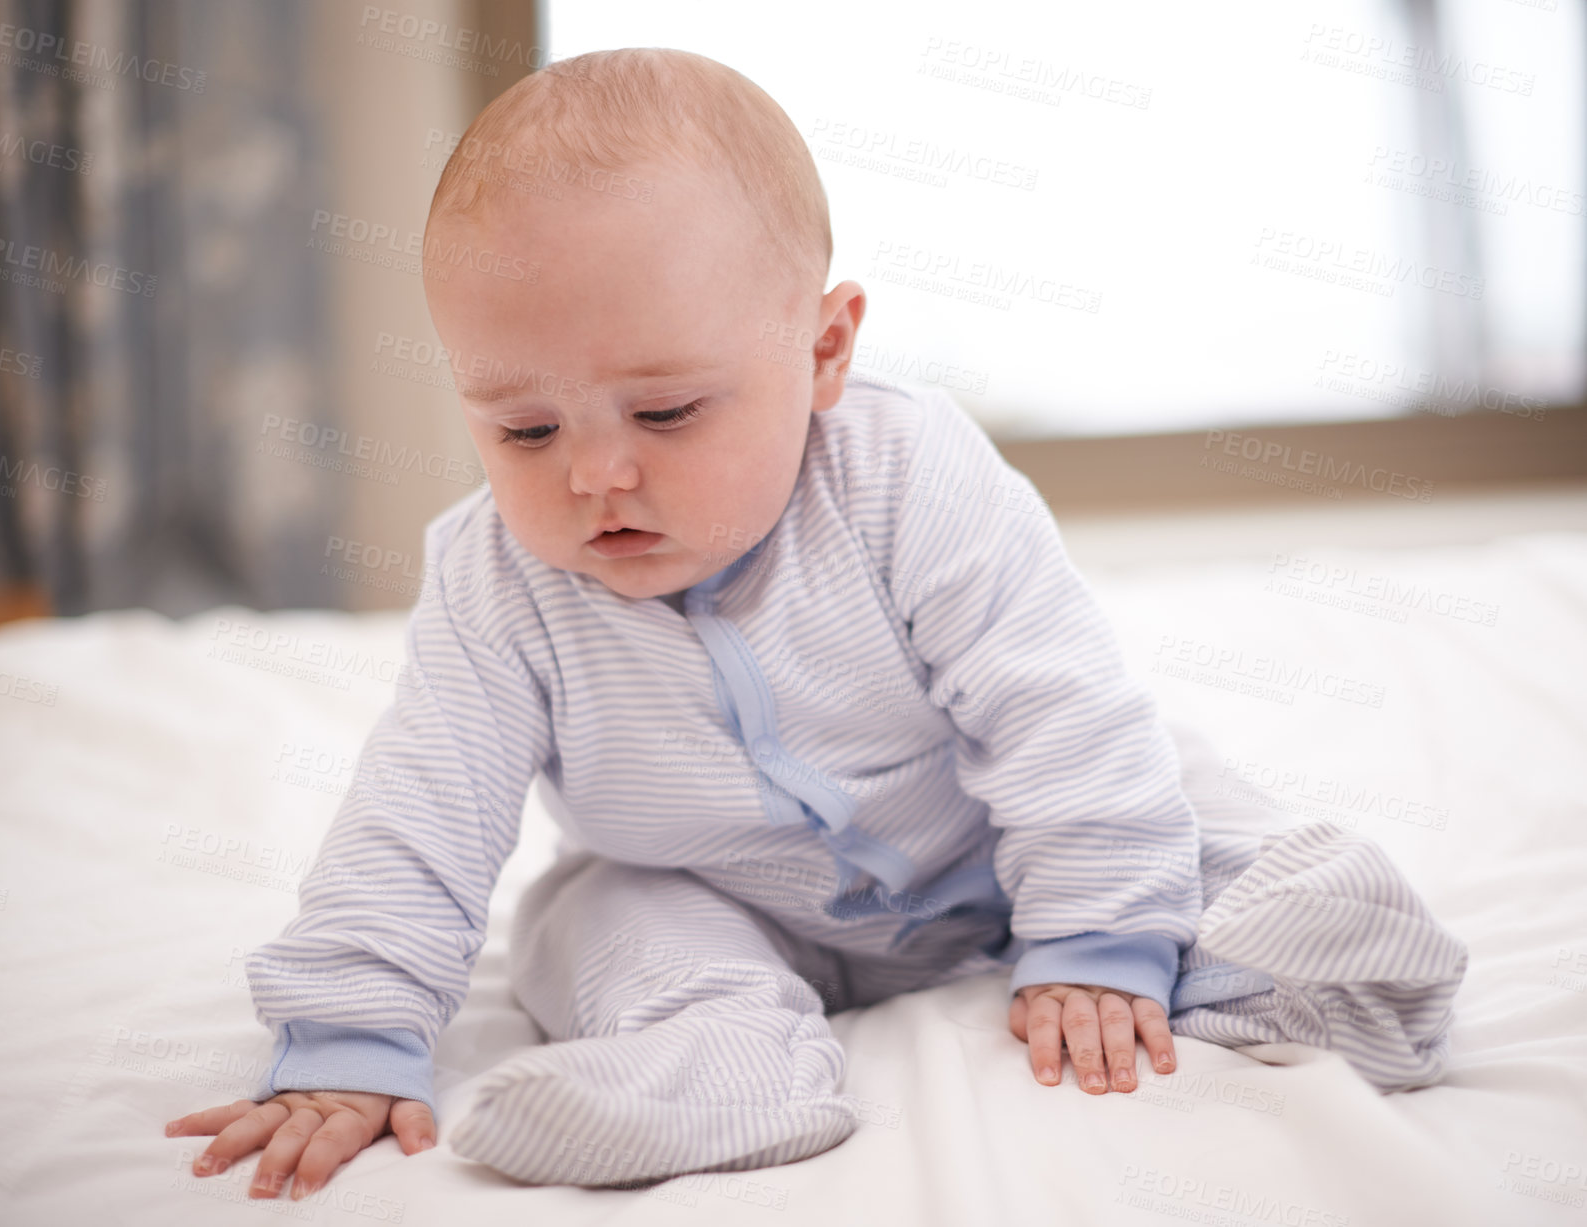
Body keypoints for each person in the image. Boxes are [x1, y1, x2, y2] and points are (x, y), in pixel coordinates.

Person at [164, 47, 1467, 1199]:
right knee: (587, 915)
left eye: (667, 413)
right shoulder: (495, 578)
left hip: (1001, 840)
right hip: (732, 896)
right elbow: (418, 812)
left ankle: (1311, 958)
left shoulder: (910, 478)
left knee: (1156, 788)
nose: (593, 475)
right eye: (523, 427)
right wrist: (347, 1035)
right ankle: (720, 1057)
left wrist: (1094, 936)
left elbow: (1057, 705)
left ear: (825, 349)